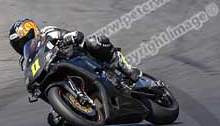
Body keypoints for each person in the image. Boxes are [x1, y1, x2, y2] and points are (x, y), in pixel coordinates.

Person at [9, 19, 141, 82]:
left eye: (25, 40)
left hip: (77, 57)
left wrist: (70, 37)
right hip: (60, 74)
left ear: (33, 32)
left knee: (93, 42)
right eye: (19, 45)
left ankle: (126, 68)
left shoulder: (46, 33)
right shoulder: (27, 63)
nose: (24, 45)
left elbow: (70, 34)